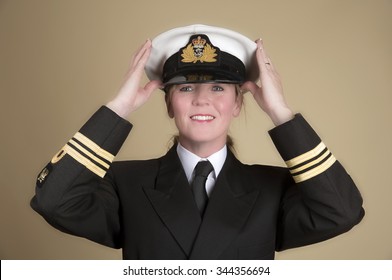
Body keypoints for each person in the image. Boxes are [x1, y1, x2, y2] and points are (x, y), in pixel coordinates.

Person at [31, 24, 364, 260]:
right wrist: (118, 108)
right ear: (168, 103)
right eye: (186, 88)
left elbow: (342, 212)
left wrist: (281, 113)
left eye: (218, 87)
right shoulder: (125, 183)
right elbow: (54, 202)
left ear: (238, 104)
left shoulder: (272, 188)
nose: (202, 100)